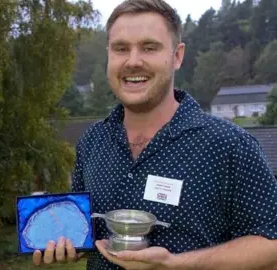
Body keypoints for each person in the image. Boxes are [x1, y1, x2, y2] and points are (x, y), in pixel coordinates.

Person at [33, 0, 277, 269]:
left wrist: (176, 264)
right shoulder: (92, 142)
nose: (133, 61)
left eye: (149, 48)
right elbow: (87, 231)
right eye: (121, 49)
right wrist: (66, 241)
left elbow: (271, 245)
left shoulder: (230, 145)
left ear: (177, 56)